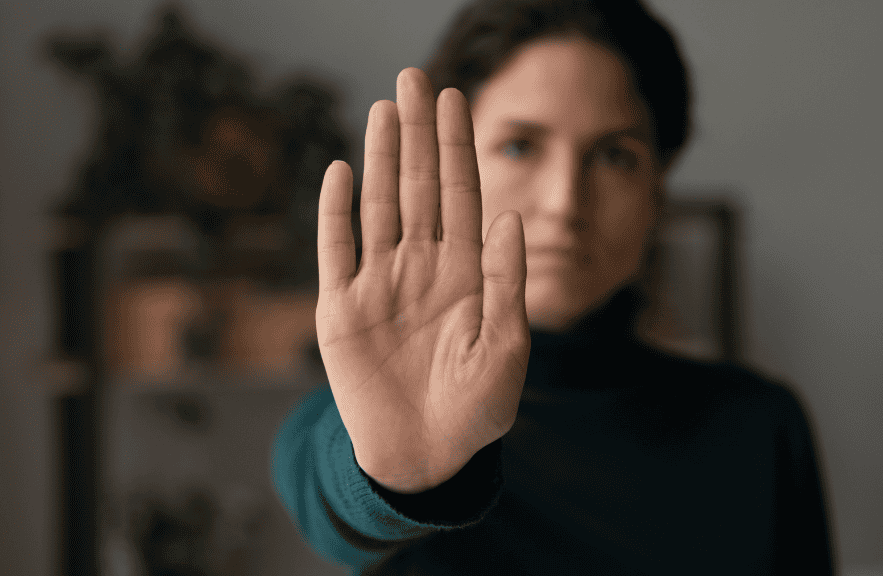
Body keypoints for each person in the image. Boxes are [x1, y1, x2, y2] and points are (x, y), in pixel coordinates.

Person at [270, 0, 835, 573]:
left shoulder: (759, 427)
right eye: (520, 146)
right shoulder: (353, 419)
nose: (565, 202)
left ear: (657, 190)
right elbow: (336, 495)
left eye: (615, 155)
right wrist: (402, 480)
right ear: (447, 169)